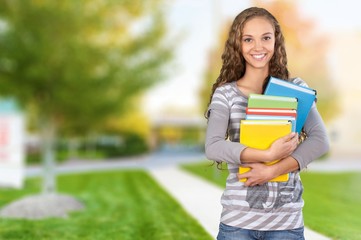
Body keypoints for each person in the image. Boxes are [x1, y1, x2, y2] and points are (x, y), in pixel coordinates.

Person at [205, 7, 329, 240]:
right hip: (237, 224)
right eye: (248, 39)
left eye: (266, 38)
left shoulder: (296, 90)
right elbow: (213, 146)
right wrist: (267, 153)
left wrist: (272, 170)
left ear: (276, 41)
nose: (258, 47)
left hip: (286, 224)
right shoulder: (226, 94)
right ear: (237, 44)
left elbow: (320, 141)